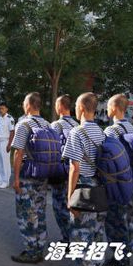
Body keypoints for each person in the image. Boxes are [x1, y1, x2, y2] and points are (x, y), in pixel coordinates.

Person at [61, 92, 106, 266]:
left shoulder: (77, 132)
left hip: (83, 188)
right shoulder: (101, 131)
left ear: (80, 108)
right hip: (100, 188)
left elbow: (74, 167)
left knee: (80, 234)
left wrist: (70, 197)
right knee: (96, 232)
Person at [11, 92, 50, 264]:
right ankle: (40, 246)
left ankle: (31, 250)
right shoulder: (48, 125)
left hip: (27, 176)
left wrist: (16, 178)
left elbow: (18, 153)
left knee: (26, 213)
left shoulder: (23, 124)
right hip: (43, 176)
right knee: (40, 211)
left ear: (28, 105)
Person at [103, 94, 133, 266]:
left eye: (108, 106)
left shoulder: (111, 131)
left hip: (117, 184)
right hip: (132, 182)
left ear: (115, 108)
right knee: (128, 220)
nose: (107, 110)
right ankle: (127, 252)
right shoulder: (130, 127)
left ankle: (120, 261)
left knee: (115, 223)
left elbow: (107, 158)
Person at [49, 95, 79, 243]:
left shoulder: (56, 125)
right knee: (73, 205)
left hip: (61, 172)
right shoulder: (77, 125)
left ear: (60, 106)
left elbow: (52, 149)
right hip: (76, 171)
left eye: (56, 104)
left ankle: (68, 238)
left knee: (60, 207)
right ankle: (74, 236)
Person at [0, 103, 15, 189]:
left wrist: (9, 144)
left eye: (2, 108)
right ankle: (1, 180)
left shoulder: (10, 119)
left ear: (6, 109)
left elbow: (12, 132)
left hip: (5, 142)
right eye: (0, 109)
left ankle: (6, 181)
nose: (1, 110)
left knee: (5, 163)